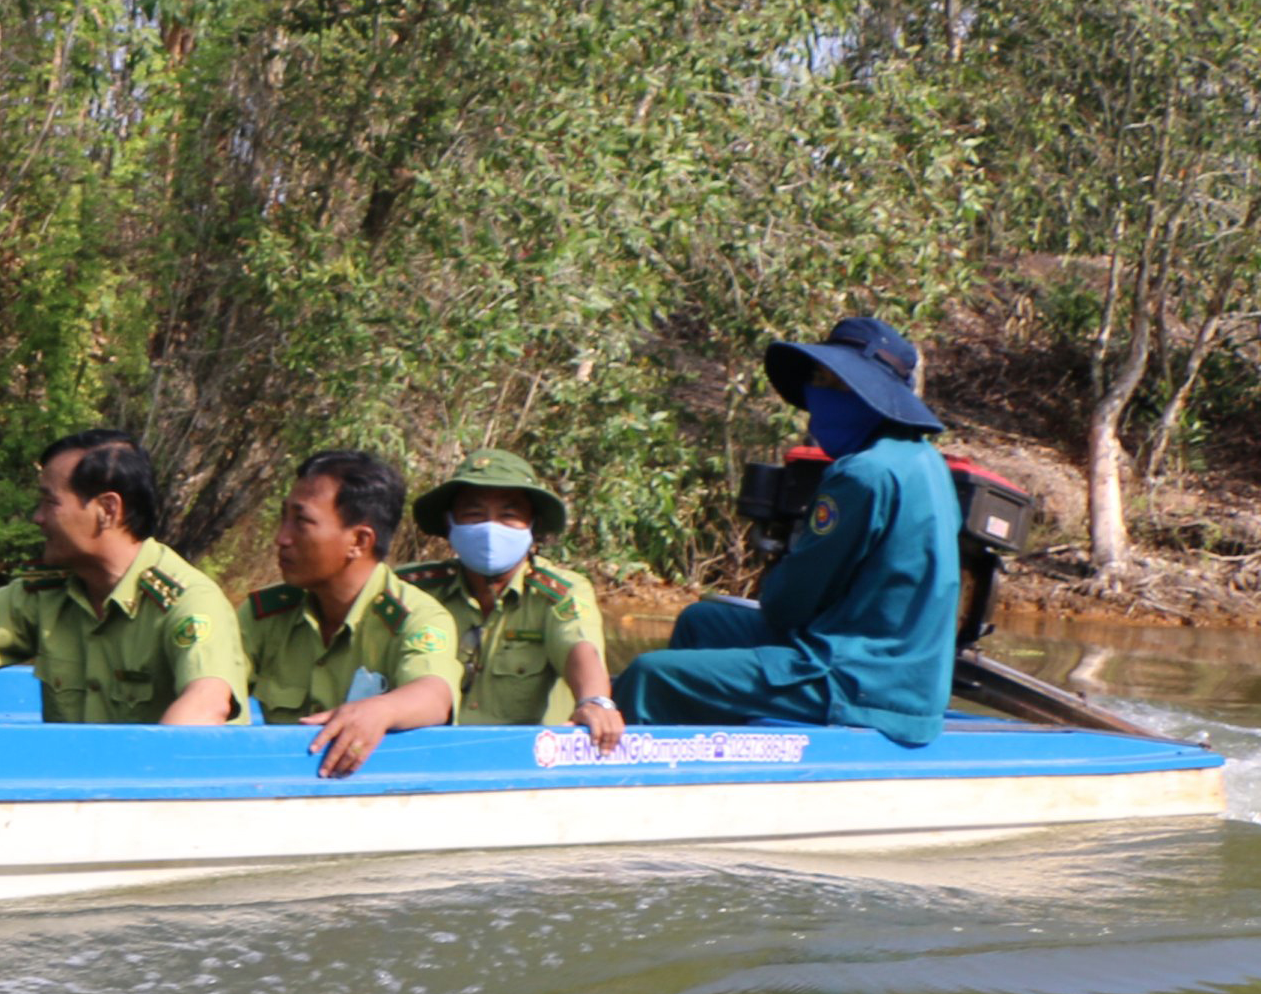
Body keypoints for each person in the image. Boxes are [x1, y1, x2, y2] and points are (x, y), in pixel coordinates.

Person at [620, 314, 961, 746]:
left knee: (650, 675)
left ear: (868, 395)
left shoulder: (863, 474)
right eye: (818, 379)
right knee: (702, 622)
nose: (818, 396)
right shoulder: (926, 462)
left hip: (859, 677)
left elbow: (789, 606)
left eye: (834, 384)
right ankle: (709, 754)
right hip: (896, 669)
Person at [0, 428, 247, 724]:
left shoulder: (186, 601)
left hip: (148, 768)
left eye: (50, 503)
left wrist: (139, 768)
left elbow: (207, 703)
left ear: (107, 510)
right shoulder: (45, 592)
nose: (37, 517)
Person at [244, 447, 463, 778]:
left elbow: (434, 694)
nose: (282, 538)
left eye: (301, 522)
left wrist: (382, 710)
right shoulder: (266, 614)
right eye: (283, 518)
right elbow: (217, 689)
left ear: (359, 541)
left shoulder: (415, 618)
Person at [400, 451, 626, 749]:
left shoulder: (559, 593)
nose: (491, 528)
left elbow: (578, 645)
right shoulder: (414, 590)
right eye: (474, 514)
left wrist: (595, 701)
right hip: (426, 757)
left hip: (521, 761)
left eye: (509, 515)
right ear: (450, 522)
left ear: (532, 525)